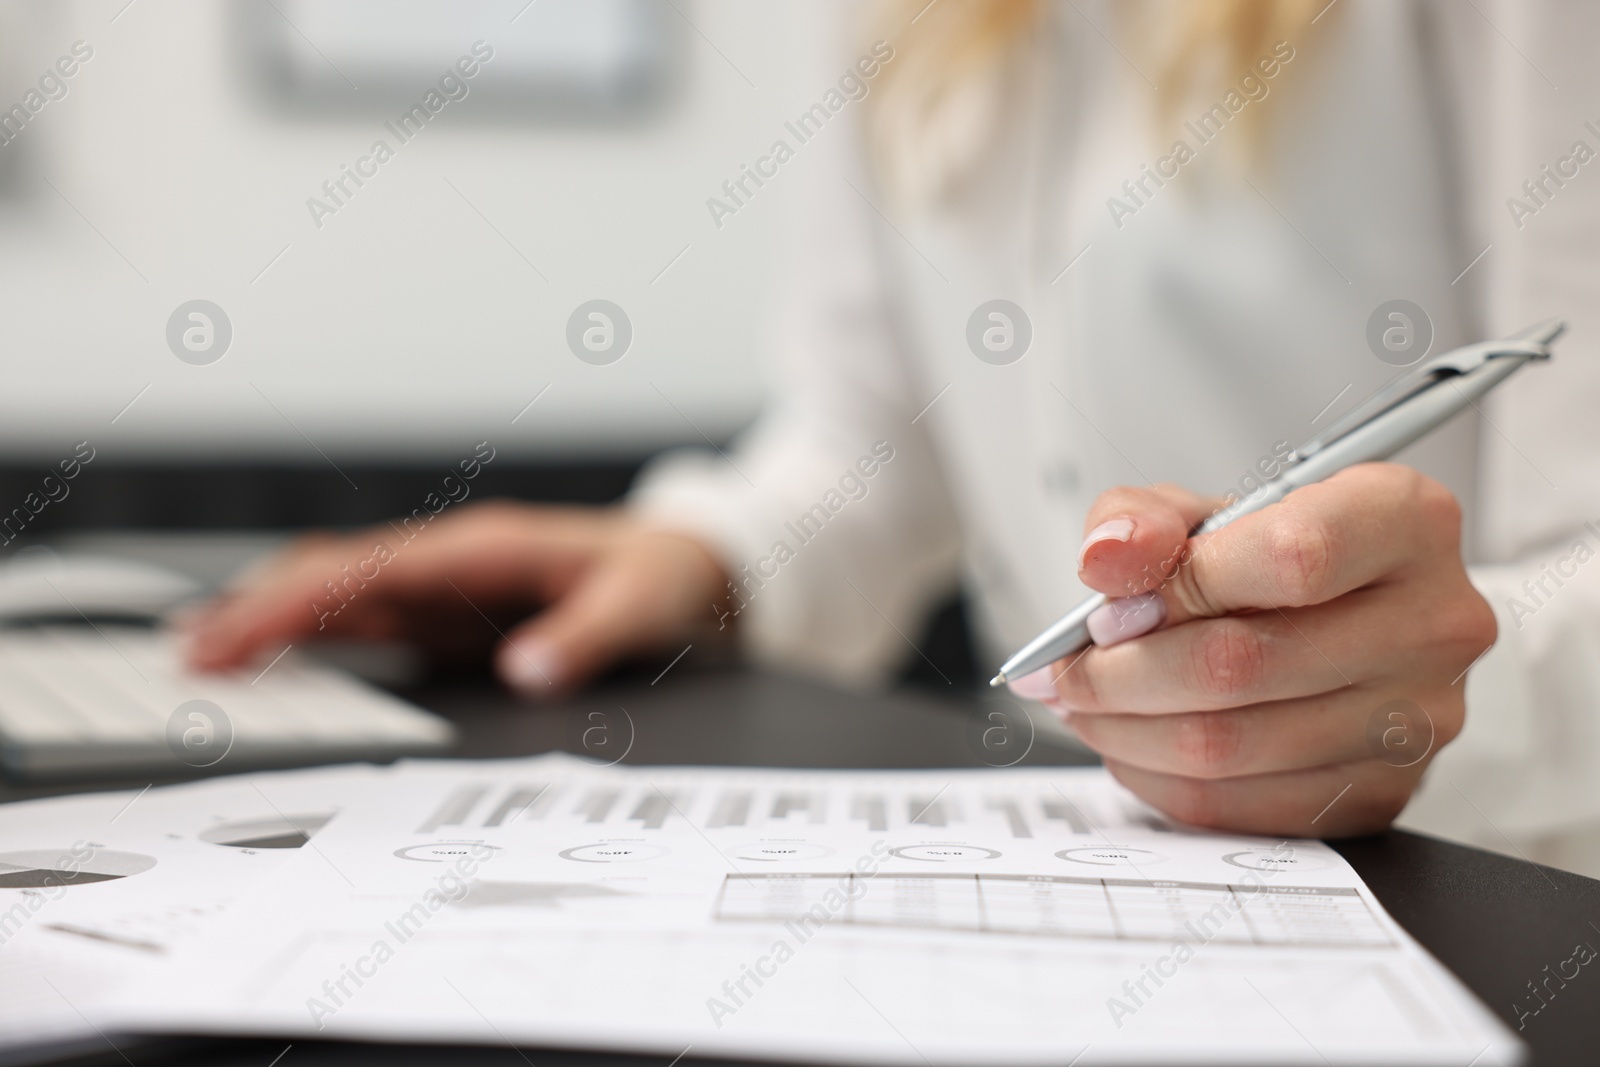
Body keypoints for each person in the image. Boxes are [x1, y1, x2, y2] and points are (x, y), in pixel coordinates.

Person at [185, 0, 1600, 870]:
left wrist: (1444, 685)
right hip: (1089, 866)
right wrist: (701, 551)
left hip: (1491, 895)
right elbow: (866, 436)